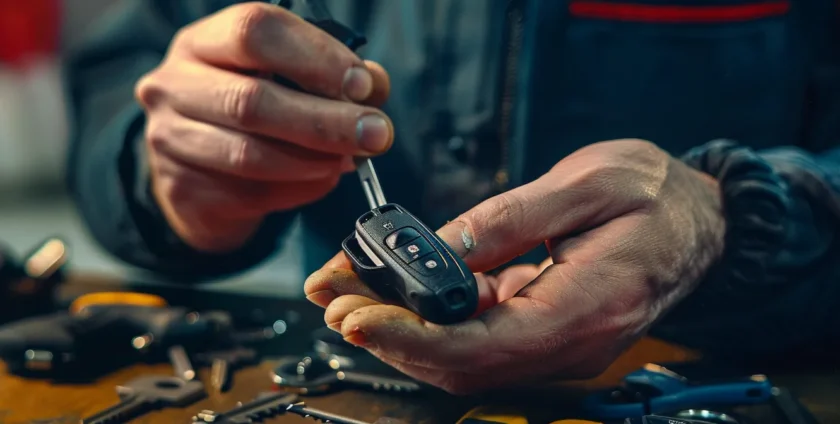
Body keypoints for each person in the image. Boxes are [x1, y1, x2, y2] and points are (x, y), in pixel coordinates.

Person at [67, 0, 840, 394]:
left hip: (760, 366)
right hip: (351, 378)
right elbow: (121, 72)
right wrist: (158, 174)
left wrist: (727, 217)